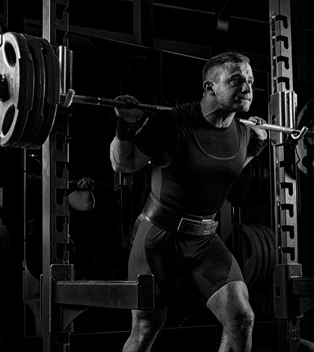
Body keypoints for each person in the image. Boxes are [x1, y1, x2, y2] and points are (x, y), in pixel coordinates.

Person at [110, 51, 269, 352]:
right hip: (157, 239)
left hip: (205, 241)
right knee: (145, 327)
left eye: (250, 80)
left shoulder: (243, 133)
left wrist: (257, 146)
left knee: (240, 318)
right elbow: (125, 163)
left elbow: (227, 169)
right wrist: (125, 127)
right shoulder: (172, 123)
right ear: (209, 88)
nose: (247, 88)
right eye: (236, 80)